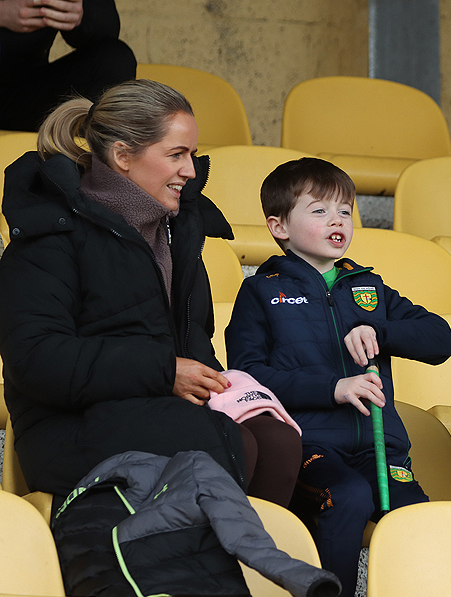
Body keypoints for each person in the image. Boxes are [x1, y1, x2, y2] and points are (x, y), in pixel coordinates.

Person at [0, 79, 301, 508]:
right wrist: (163, 371)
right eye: (176, 155)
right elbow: (36, 360)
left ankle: (253, 551)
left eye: (192, 154)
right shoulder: (50, 231)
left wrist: (218, 385)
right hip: (70, 425)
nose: (191, 171)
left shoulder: (179, 231)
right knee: (226, 442)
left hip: (160, 407)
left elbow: (193, 343)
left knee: (278, 440)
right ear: (122, 156)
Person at [225, 157, 451, 597]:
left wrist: (380, 331)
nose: (337, 220)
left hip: (380, 447)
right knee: (348, 497)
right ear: (279, 226)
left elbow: (441, 340)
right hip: (308, 445)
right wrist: (332, 388)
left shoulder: (368, 286)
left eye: (345, 211)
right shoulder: (261, 290)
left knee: (415, 517)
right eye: (320, 210)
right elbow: (247, 376)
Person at [0, 0, 136, 131]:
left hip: (23, 91)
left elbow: (107, 26)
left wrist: (80, 15)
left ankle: (93, 142)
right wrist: (3, 12)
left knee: (115, 59)